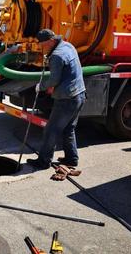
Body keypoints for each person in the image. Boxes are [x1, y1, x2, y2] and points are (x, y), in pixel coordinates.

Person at [27, 29, 86, 169]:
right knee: (68, 128)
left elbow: (53, 80)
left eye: (44, 45)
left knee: (50, 130)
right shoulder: (68, 46)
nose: (42, 48)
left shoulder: (57, 56)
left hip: (67, 99)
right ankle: (72, 159)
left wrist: (40, 86)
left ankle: (44, 161)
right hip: (80, 94)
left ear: (52, 41)